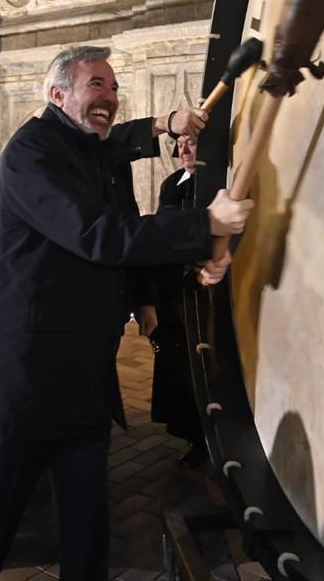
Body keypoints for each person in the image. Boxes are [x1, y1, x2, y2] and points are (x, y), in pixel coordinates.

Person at [0, 46, 252, 579]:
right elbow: (98, 235)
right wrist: (206, 226)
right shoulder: (31, 154)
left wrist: (165, 124)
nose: (109, 98)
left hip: (84, 377)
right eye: (96, 86)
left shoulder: (88, 149)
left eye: (114, 88)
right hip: (21, 381)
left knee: (88, 531)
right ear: (57, 94)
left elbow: (119, 164)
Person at [148, 134, 207, 468]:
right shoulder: (172, 183)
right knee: (180, 366)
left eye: (193, 142)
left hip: (206, 289)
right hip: (174, 289)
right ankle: (192, 435)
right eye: (181, 143)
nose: (184, 149)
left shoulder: (216, 180)